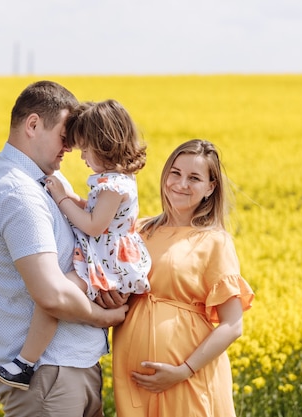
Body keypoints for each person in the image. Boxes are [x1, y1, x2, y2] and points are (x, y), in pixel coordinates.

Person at [0, 80, 128, 417]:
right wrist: (105, 317)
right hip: (48, 376)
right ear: (33, 125)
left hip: (69, 368)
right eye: (64, 135)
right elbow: (52, 296)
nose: (70, 147)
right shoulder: (18, 193)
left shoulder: (46, 181)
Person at [0, 99, 152, 390]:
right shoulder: (115, 180)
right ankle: (24, 362)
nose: (82, 156)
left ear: (104, 144)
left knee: (54, 298)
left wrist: (62, 199)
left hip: (107, 264)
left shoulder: (113, 186)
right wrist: (72, 198)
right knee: (55, 297)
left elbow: (93, 225)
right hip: (105, 260)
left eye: (86, 148)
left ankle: (24, 363)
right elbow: (93, 212)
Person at [111, 139, 255, 416]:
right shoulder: (139, 229)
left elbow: (233, 325)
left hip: (188, 377)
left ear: (210, 188)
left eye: (194, 178)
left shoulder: (214, 241)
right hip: (134, 379)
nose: (181, 184)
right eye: (175, 173)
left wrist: (182, 371)